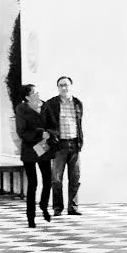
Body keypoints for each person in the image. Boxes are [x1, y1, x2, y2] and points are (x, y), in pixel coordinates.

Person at [42, 74, 84, 215]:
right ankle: (57, 208)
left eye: (66, 85)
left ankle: (73, 207)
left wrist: (80, 141)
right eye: (61, 85)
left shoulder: (77, 103)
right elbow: (45, 124)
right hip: (59, 146)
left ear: (71, 86)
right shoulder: (51, 104)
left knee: (75, 178)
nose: (64, 87)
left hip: (74, 144)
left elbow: (79, 124)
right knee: (56, 178)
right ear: (57, 88)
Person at [15, 84, 53, 228]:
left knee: (48, 180)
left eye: (38, 91)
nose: (38, 94)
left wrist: (49, 133)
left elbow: (53, 124)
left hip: (43, 147)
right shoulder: (21, 109)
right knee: (33, 184)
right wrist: (38, 133)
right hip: (30, 150)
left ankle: (43, 205)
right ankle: (30, 216)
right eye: (34, 92)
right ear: (27, 96)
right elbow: (21, 132)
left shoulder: (45, 106)